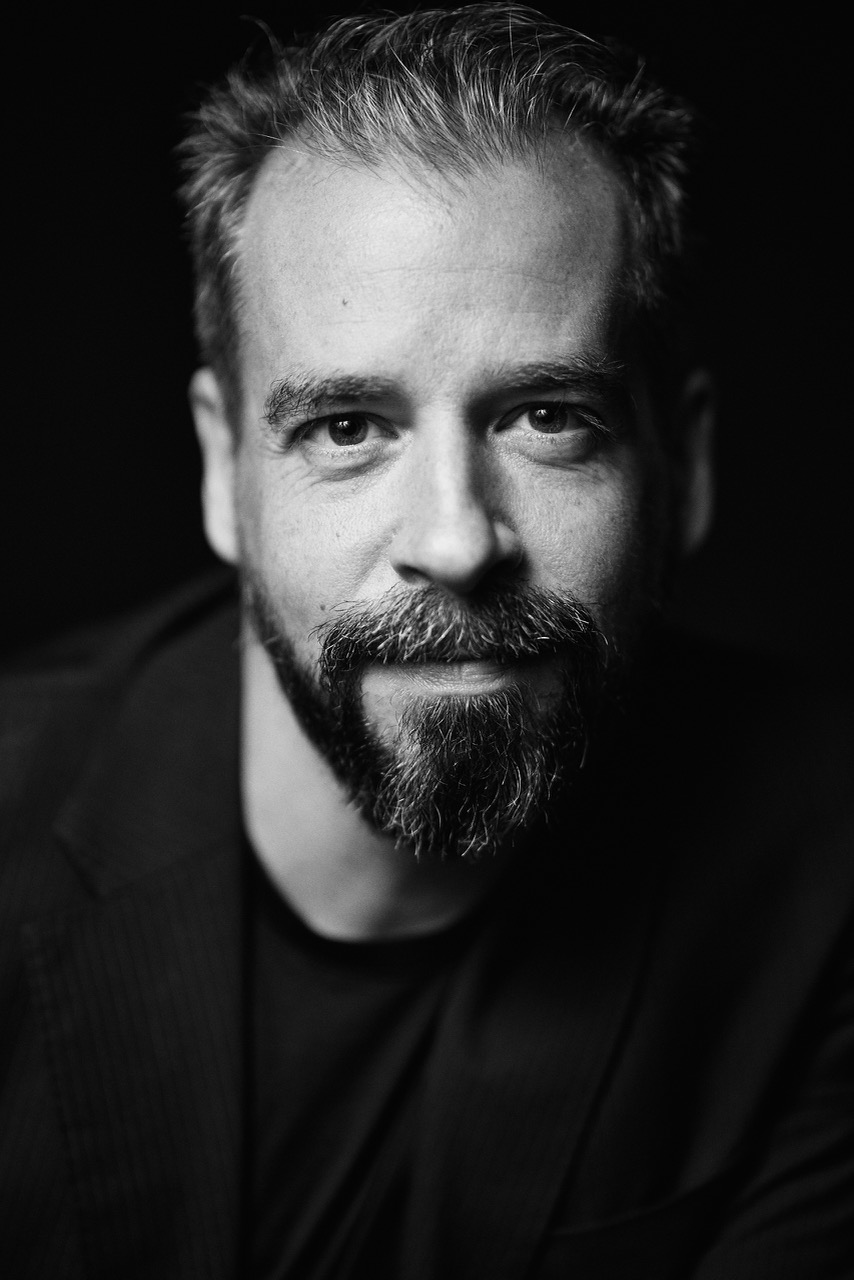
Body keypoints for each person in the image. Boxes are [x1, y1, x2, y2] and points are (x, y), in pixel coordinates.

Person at [1, 5, 851, 1277]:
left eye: (547, 415)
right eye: (346, 427)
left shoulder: (827, 865)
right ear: (226, 469)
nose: (456, 540)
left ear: (683, 469)